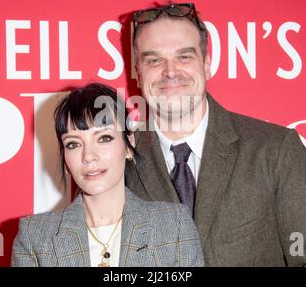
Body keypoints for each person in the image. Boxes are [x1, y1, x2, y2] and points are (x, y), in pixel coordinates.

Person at [125, 2, 306, 266]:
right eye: (153, 60)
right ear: (138, 73)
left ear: (206, 64)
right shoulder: (118, 161)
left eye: (184, 56)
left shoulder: (276, 151)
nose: (170, 71)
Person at [11, 83, 204, 267]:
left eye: (104, 138)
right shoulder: (35, 237)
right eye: (73, 144)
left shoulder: (174, 226)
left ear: (129, 145)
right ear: (65, 159)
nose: (88, 156)